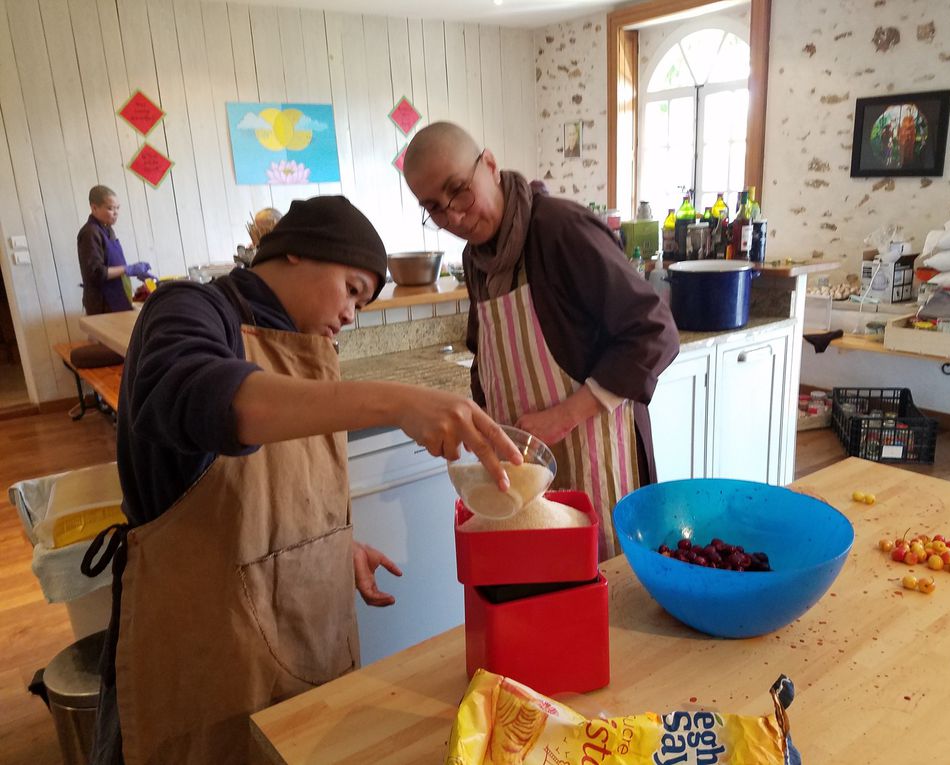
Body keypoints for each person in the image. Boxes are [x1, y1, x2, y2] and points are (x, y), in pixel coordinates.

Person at [82, 195, 521, 764]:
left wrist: (327, 546)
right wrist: (393, 401)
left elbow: (264, 499)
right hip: (202, 652)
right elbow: (197, 394)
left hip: (304, 636)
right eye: (352, 290)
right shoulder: (189, 309)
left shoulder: (304, 349)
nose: (351, 315)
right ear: (294, 254)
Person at [403, 122, 679, 561]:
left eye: (459, 191)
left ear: (489, 165)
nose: (453, 216)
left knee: (602, 590)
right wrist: (481, 429)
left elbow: (655, 331)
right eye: (434, 207)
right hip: (527, 468)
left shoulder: (560, 229)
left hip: (596, 459)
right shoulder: (477, 259)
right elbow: (489, 357)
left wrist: (565, 415)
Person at [77, 185, 153, 316]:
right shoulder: (90, 233)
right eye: (110, 208)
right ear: (94, 208)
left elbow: (113, 264)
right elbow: (96, 273)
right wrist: (127, 269)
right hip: (103, 304)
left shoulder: (107, 229)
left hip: (117, 298)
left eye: (118, 208)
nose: (116, 212)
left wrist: (132, 273)